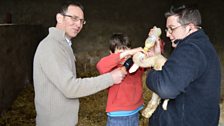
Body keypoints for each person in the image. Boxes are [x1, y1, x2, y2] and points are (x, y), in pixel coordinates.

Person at [33, 1, 126, 126]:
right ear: (59, 18)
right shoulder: (51, 47)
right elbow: (70, 88)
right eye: (74, 18)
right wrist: (111, 78)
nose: (78, 24)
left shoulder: (63, 44)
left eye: (82, 21)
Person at [145, 4, 221, 126]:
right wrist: (157, 56)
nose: (168, 34)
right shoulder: (200, 46)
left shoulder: (191, 49)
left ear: (189, 27)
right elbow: (178, 73)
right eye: (167, 30)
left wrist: (151, 73)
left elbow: (166, 88)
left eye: (172, 28)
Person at [96, 33, 145, 126]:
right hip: (118, 115)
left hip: (135, 112)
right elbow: (100, 66)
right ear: (111, 53)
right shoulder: (111, 68)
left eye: (127, 49)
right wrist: (127, 53)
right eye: (120, 52)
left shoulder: (136, 64)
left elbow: (150, 63)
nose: (125, 56)